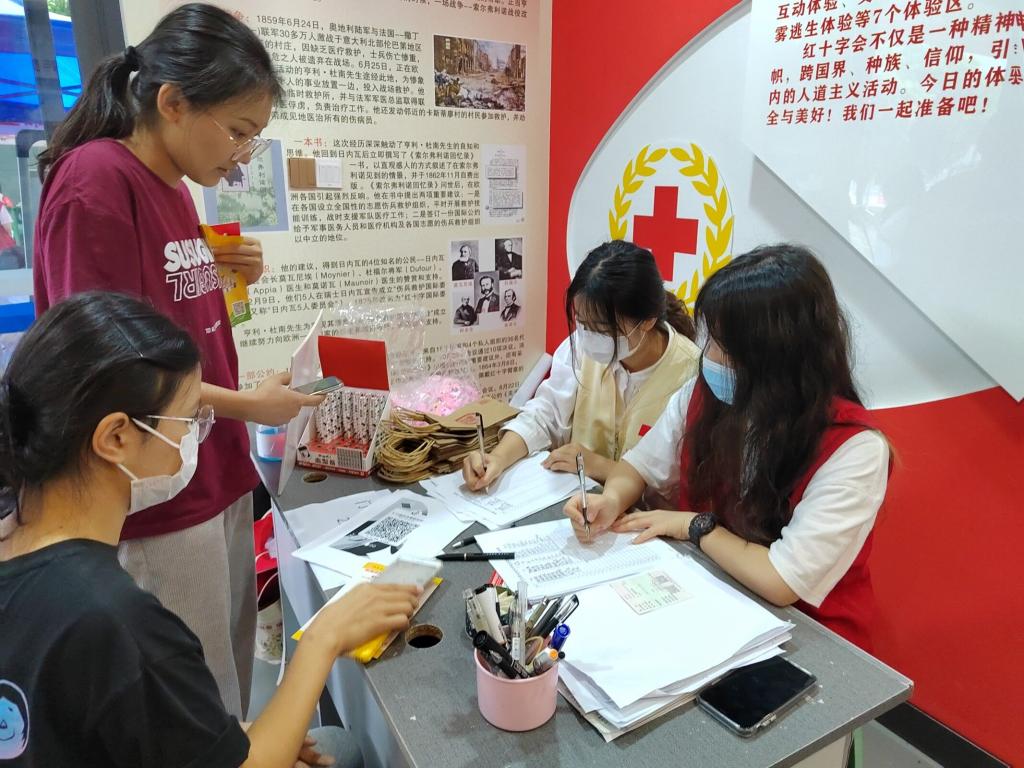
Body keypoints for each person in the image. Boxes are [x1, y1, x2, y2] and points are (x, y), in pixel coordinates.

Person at [31, 3, 323, 718]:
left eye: (253, 136)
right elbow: (107, 369)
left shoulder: (173, 186)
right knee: (197, 698)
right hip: (156, 490)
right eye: (238, 131)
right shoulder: (96, 183)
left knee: (229, 674)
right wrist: (248, 404)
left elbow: (165, 321)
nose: (243, 154)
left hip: (211, 466)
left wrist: (228, 276)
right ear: (172, 102)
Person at [0, 292, 419, 766]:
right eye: (187, 419)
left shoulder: (21, 555)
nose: (191, 437)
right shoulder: (120, 624)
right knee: (340, 748)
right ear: (116, 437)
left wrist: (213, 734)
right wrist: (323, 638)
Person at [564, 244, 890, 650]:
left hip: (805, 637)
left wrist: (694, 526)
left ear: (780, 357)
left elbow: (781, 580)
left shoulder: (854, 449)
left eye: (724, 346)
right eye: (710, 339)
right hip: (709, 596)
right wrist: (611, 501)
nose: (709, 357)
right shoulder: (706, 393)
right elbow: (640, 467)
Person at [464, 240, 699, 497]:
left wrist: (601, 467)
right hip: (575, 502)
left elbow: (678, 488)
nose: (588, 337)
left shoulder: (690, 375)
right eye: (583, 323)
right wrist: (498, 457)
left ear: (647, 321)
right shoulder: (582, 345)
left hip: (643, 517)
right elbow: (547, 414)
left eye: (602, 328)